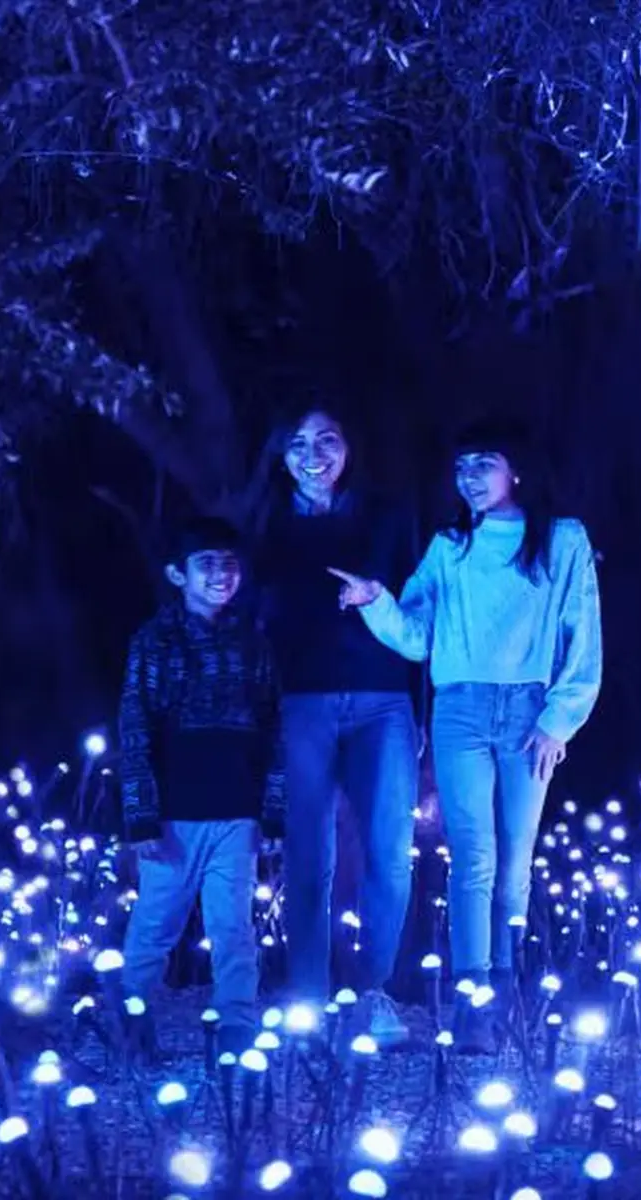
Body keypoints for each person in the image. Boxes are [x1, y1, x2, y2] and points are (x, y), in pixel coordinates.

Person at [329, 416, 603, 1052]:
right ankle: (474, 1004)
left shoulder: (562, 540)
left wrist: (559, 718)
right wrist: (376, 600)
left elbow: (581, 637)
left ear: (517, 469)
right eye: (462, 467)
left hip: (529, 711)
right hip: (458, 711)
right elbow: (419, 635)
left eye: (485, 462)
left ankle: (506, 990)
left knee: (515, 862)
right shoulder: (449, 548)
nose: (470, 477)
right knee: (473, 859)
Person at [254, 404, 419, 1044]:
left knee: (386, 854)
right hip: (303, 702)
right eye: (297, 442)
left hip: (384, 701)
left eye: (327, 438)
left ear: (350, 446)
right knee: (307, 856)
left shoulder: (389, 515)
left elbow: (422, 610)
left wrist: (420, 713)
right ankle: (307, 999)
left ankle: (372, 994)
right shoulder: (266, 523)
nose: (312, 453)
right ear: (280, 453)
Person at [118, 516, 282, 1057]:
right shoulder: (154, 641)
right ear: (176, 573)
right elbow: (135, 725)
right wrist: (141, 814)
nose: (220, 573)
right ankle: (132, 1026)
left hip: (236, 813)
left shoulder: (252, 644)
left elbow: (270, 729)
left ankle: (236, 1027)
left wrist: (272, 812)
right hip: (172, 817)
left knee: (232, 926)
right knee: (155, 927)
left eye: (230, 563)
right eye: (206, 563)